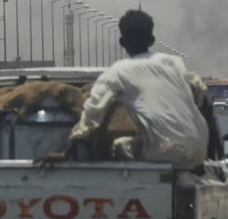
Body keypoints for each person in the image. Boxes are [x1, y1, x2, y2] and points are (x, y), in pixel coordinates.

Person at [41, 9, 216, 166]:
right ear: (152, 40)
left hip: (164, 151)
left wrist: (66, 153)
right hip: (199, 150)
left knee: (119, 145)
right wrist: (212, 155)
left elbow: (92, 114)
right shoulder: (174, 63)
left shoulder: (117, 72)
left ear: (122, 42)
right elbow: (204, 100)